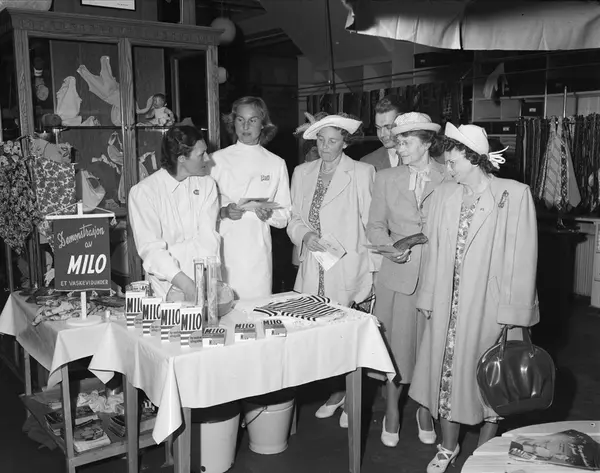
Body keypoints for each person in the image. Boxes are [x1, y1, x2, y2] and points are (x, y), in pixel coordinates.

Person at [409, 123, 539, 473]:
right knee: (445, 377)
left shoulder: (513, 194)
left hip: (490, 306)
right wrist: (428, 297)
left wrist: (513, 313)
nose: (448, 168)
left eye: (453, 162)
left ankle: (485, 451)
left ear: (474, 158)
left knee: (490, 377)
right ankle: (447, 447)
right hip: (448, 303)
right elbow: (434, 251)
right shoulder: (444, 194)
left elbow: (523, 257)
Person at [287, 113, 376, 428]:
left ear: (345, 143)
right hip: (315, 265)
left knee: (348, 336)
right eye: (321, 140)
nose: (325, 147)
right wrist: (304, 235)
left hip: (348, 266)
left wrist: (372, 273)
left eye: (333, 141)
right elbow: (293, 217)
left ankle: (353, 398)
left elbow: (371, 224)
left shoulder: (362, 172)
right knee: (321, 337)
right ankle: (337, 391)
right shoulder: (302, 172)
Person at [366, 112, 446, 448]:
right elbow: (374, 226)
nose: (399, 147)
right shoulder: (386, 178)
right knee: (395, 349)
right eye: (397, 141)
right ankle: (392, 411)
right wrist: (389, 249)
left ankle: (425, 410)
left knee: (431, 346)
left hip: (437, 276)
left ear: (426, 143)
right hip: (397, 276)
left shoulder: (450, 175)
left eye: (406, 141)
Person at [211, 96, 291, 299]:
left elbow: (284, 215)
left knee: (257, 308)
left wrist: (269, 215)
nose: (245, 126)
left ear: (263, 124)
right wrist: (223, 211)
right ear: (233, 122)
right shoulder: (216, 160)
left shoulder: (276, 163)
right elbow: (201, 208)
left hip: (257, 254)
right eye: (240, 119)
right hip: (224, 249)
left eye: (252, 120)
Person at [128, 125, 220, 300]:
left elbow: (208, 236)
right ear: (182, 158)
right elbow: (151, 249)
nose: (208, 159)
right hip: (165, 287)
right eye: (201, 154)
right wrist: (186, 285)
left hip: (204, 280)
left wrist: (206, 282)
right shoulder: (144, 192)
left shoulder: (207, 185)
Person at [361, 95, 404, 171]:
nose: (382, 134)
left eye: (388, 127)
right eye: (378, 128)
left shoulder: (423, 157)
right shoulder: (366, 163)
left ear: (403, 123)